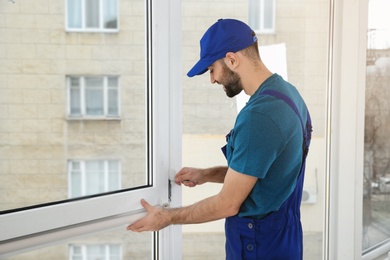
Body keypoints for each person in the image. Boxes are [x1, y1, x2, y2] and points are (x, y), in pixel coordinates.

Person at [127, 18, 312, 259]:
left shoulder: (260, 116)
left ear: (232, 60)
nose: (212, 79)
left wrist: (166, 217)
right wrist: (206, 175)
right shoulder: (287, 93)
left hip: (259, 244)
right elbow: (261, 172)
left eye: (212, 69)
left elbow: (228, 203)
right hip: (284, 239)